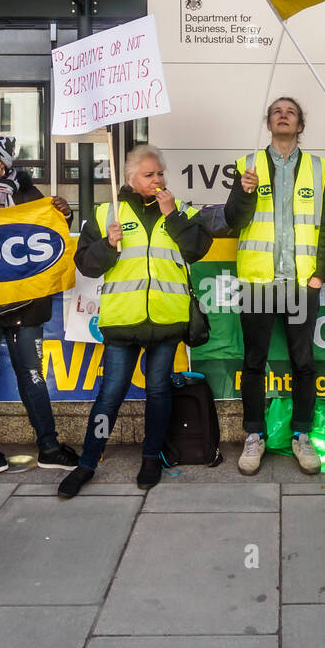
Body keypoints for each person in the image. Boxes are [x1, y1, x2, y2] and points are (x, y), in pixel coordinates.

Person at [58, 145, 212, 498]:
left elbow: (196, 250)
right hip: (122, 321)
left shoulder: (181, 209)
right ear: (130, 179)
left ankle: (151, 457)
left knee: (158, 392)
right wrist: (108, 245)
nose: (157, 180)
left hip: (166, 319)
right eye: (149, 175)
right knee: (110, 394)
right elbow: (86, 264)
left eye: (160, 173)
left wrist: (172, 214)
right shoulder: (105, 212)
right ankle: (87, 463)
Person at [0, 135, 80, 474]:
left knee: (33, 375)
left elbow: (50, 237)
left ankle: (49, 446)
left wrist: (64, 213)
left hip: (26, 307)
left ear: (3, 163)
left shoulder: (29, 197)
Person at [225, 97, 325, 476]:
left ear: (300, 124)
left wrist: (320, 274)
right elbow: (232, 220)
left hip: (301, 282)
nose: (283, 115)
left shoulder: (320, 168)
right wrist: (242, 192)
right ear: (268, 122)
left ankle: (302, 436)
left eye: (290, 111)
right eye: (277, 111)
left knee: (303, 363)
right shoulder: (247, 165)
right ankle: (254, 435)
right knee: (254, 362)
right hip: (259, 281)